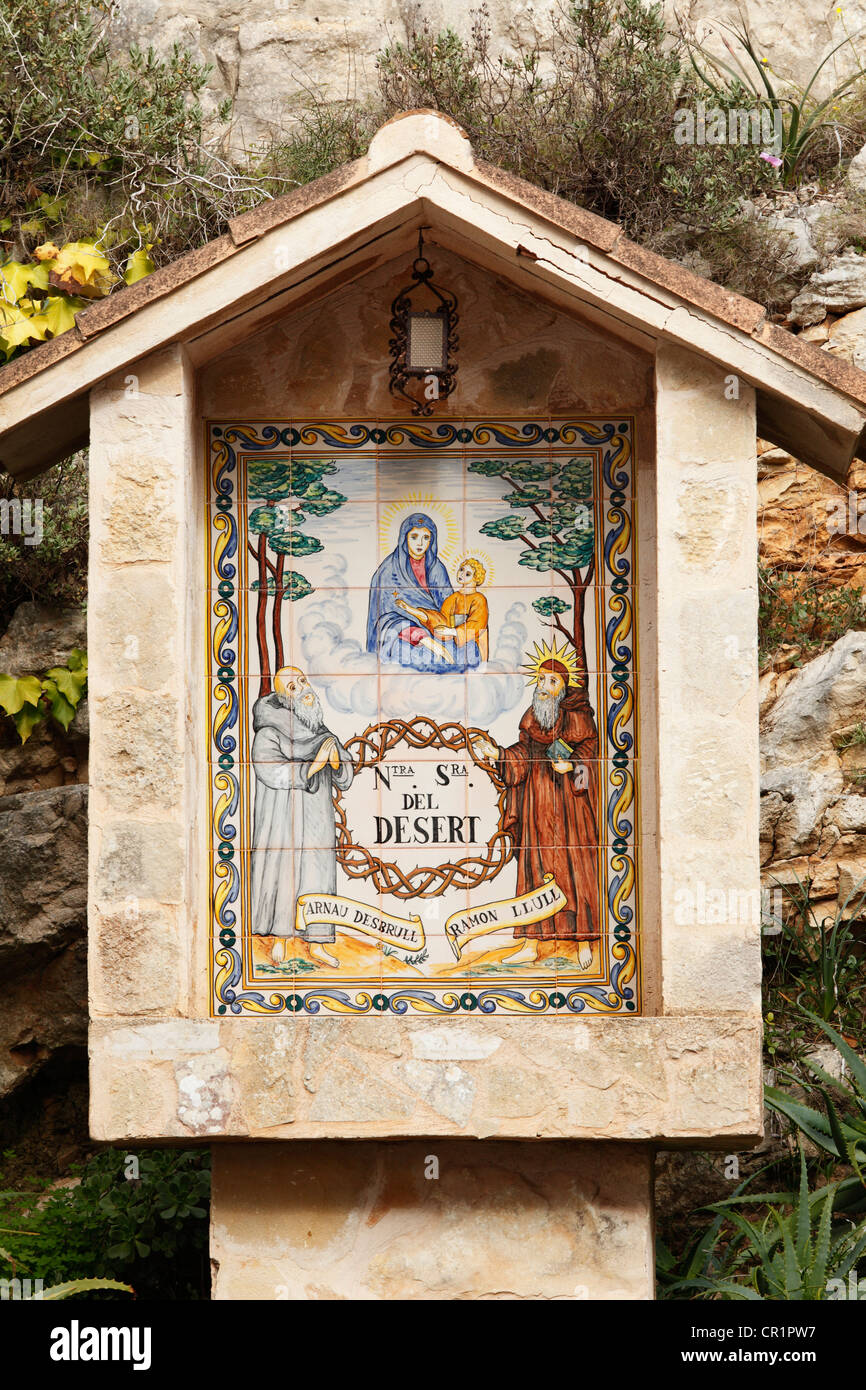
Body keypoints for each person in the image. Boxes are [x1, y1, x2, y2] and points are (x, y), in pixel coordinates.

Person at [471, 657, 600, 969]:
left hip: (569, 805)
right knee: (534, 868)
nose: (543, 687)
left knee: (575, 869)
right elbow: (523, 753)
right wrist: (497, 754)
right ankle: (531, 943)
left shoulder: (578, 716)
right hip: (536, 806)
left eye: (551, 682)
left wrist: (572, 765)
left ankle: (583, 941)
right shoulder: (533, 717)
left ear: (564, 687)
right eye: (541, 680)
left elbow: (590, 752)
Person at [250, 665, 353, 967]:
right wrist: (311, 767)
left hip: (318, 817)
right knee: (288, 871)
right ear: (283, 699)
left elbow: (344, 773)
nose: (303, 688)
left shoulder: (319, 730)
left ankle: (318, 942)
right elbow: (268, 768)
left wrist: (337, 762)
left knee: (318, 874)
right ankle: (282, 938)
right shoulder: (270, 730)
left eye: (303, 681)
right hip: (285, 815)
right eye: (293, 687)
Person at [366, 512, 455, 670]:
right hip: (402, 636)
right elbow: (385, 619)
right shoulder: (388, 571)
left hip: (438, 632)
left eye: (426, 537)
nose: (420, 543)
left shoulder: (436, 568)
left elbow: (450, 608)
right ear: (404, 538)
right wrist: (424, 639)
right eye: (414, 536)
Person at [395, 557, 489, 668]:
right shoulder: (453, 598)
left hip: (471, 646)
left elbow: (477, 625)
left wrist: (452, 631)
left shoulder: (479, 599)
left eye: (468, 574)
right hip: (452, 643)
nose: (462, 574)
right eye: (461, 569)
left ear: (476, 579)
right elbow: (440, 618)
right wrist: (410, 610)